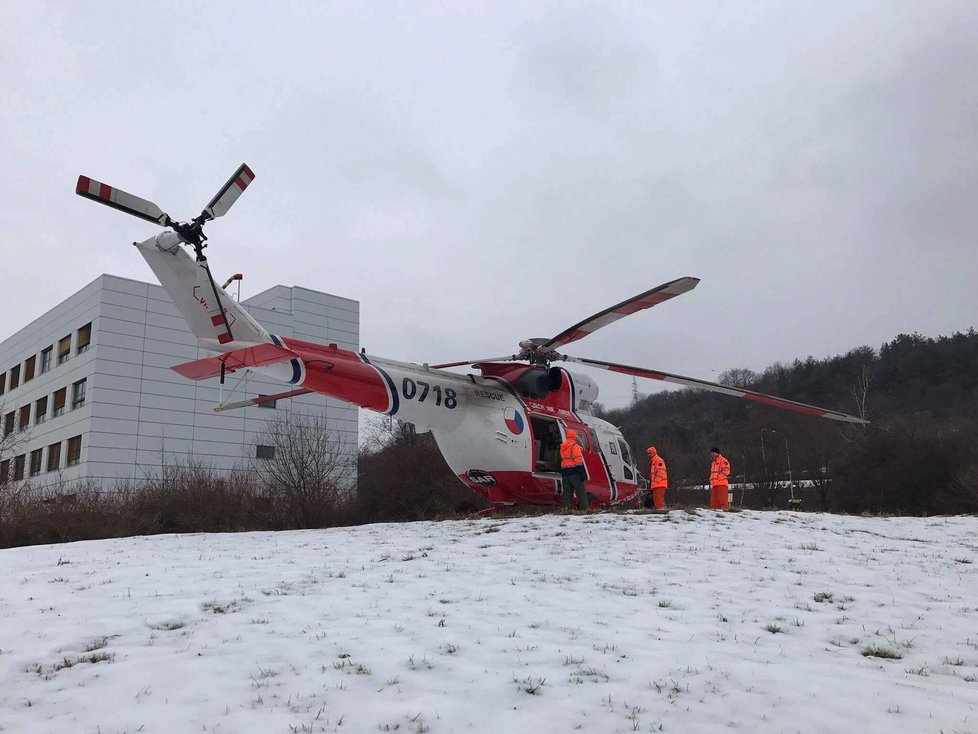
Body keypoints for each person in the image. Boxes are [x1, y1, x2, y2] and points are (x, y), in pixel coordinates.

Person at [560, 429, 589, 512]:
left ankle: (566, 509)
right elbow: (578, 461)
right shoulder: (574, 446)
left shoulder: (563, 446)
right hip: (574, 473)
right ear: (574, 436)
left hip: (565, 473)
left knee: (567, 494)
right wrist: (582, 473)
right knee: (580, 492)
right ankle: (584, 510)